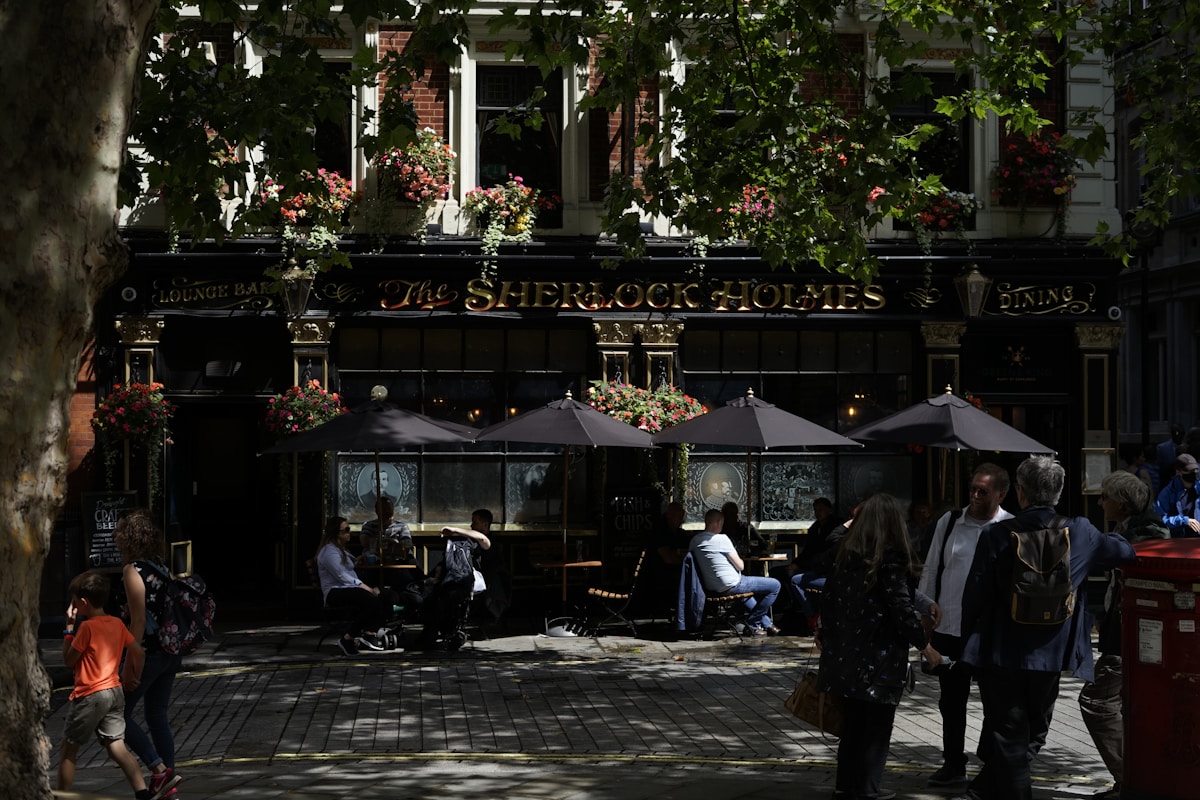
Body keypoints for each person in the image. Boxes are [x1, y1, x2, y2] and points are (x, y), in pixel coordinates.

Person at [954, 456, 1136, 800]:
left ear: (1020, 493)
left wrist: (969, 649)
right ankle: (980, 793)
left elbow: (973, 598)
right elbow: (1125, 551)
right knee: (1033, 733)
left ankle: (984, 793)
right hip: (1052, 654)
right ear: (1058, 492)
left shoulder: (996, 534)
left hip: (1000, 652)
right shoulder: (1080, 531)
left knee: (1010, 737)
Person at [817, 493, 943, 800]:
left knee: (852, 728)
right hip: (878, 660)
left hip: (843, 656)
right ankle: (867, 791)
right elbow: (900, 609)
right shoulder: (890, 558)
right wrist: (926, 647)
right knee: (876, 729)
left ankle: (845, 788)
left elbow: (829, 601)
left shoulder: (843, 553)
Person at [917, 463, 1013, 788]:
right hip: (949, 627)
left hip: (989, 633)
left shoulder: (1011, 527)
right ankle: (953, 764)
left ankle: (990, 764)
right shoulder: (949, 522)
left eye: (982, 491)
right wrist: (925, 617)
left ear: (1001, 494)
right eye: (972, 488)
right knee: (951, 702)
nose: (974, 495)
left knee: (994, 703)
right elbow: (931, 570)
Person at [1080, 471, 1168, 799]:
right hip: (1124, 634)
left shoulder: (1147, 534)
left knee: (1096, 701)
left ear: (1122, 502)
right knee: (1125, 709)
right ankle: (1127, 781)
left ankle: (1132, 779)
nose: (1100, 502)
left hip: (1134, 638)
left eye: (1105, 496)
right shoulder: (1127, 528)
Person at [58, 570, 172, 800]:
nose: (72, 606)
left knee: (69, 750)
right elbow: (138, 652)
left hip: (90, 695)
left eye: (74, 602)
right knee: (117, 747)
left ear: (83, 602)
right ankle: (142, 793)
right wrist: (132, 676)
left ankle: (59, 796)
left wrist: (69, 629)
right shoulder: (117, 623)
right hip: (114, 692)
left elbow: (69, 659)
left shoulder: (86, 628)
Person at [114, 509, 184, 799]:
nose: (115, 536)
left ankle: (158, 770)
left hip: (148, 652)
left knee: (116, 714)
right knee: (157, 714)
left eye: (119, 531)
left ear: (129, 537)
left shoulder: (133, 570)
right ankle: (168, 782)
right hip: (170, 651)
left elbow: (139, 621)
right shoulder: (160, 566)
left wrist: (132, 661)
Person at [315, 516, 402, 656]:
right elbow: (342, 576)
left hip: (350, 589)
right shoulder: (329, 552)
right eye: (346, 530)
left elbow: (350, 568)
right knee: (370, 598)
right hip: (335, 592)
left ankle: (370, 633)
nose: (350, 533)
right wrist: (366, 588)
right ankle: (348, 638)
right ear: (337, 533)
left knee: (389, 596)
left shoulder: (342, 550)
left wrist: (358, 562)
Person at [689, 507, 780, 635]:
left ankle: (767, 624)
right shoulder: (722, 539)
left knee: (745, 597)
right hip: (732, 584)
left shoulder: (694, 541)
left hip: (710, 587)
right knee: (775, 585)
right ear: (719, 522)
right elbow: (741, 566)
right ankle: (753, 624)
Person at [420, 517, 492, 649]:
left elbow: (483, 539)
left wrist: (455, 530)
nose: (471, 525)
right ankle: (434, 631)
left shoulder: (481, 542)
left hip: (470, 581)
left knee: (452, 597)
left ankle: (448, 631)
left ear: (485, 524)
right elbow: (444, 564)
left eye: (474, 522)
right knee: (434, 597)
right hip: (451, 580)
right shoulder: (460, 542)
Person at [632, 501, 692, 619]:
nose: (681, 520)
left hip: (672, 572)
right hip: (658, 577)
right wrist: (683, 558)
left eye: (682, 517)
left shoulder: (680, 533)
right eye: (679, 517)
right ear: (669, 515)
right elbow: (668, 558)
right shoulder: (660, 531)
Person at [1155, 452, 1200, 537]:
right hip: (1178, 540)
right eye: (1188, 471)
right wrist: (1184, 521)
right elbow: (1160, 520)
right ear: (1178, 472)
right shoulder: (1167, 493)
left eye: (1194, 470)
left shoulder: (1198, 487)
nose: (1192, 473)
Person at [360, 496, 414, 565]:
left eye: (389, 508)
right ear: (377, 511)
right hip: (374, 562)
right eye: (384, 508)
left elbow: (406, 543)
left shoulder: (402, 526)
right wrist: (390, 544)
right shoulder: (369, 525)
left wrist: (387, 544)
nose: (387, 511)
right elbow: (364, 542)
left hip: (397, 562)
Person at [1156, 422, 1185, 490]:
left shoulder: (1188, 448)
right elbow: (1158, 468)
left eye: (1182, 433)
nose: (1180, 436)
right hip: (1166, 484)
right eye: (1177, 433)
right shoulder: (1162, 448)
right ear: (1172, 433)